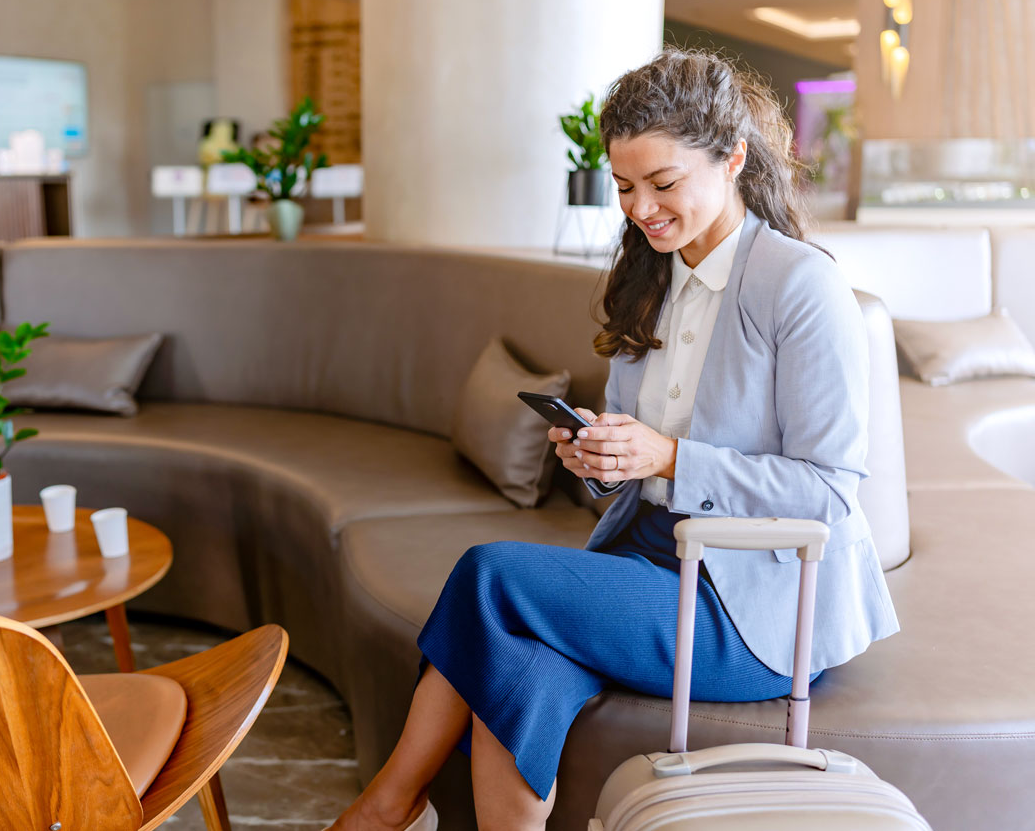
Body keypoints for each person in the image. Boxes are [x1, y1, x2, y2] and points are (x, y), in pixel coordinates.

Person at [328, 48, 900, 831]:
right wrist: (598, 458)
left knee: (491, 574)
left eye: (663, 185)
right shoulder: (647, 278)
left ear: (732, 158)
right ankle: (397, 807)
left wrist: (665, 457)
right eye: (625, 187)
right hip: (648, 561)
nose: (641, 208)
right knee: (519, 667)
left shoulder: (800, 286)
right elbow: (636, 470)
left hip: (752, 605)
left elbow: (829, 490)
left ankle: (389, 805)